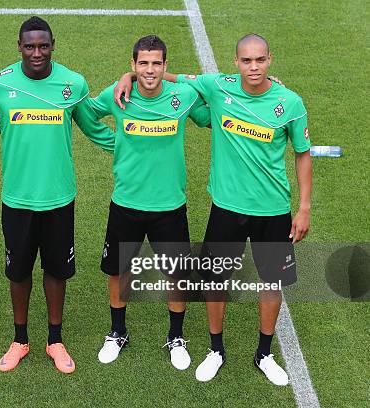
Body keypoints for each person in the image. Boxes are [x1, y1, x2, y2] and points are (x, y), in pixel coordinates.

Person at [115, 33, 312, 386]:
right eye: (247, 61)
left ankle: (264, 354)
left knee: (272, 284)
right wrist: (128, 76)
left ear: (270, 60)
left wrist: (304, 207)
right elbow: (174, 77)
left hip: (273, 210)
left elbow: (302, 153)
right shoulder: (218, 86)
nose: (254, 67)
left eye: (260, 60)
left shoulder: (291, 102)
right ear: (236, 63)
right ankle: (216, 350)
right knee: (215, 280)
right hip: (226, 208)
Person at [0, 16, 113, 374]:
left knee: (56, 271)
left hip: (59, 198)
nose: (36, 53)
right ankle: (20, 339)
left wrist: (136, 146)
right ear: (19, 47)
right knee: (18, 272)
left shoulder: (73, 83)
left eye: (42, 45)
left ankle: (55, 339)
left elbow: (95, 128)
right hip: (16, 199)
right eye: (29, 46)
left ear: (52, 45)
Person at [87, 35, 210, 369]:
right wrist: (115, 145)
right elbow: (85, 113)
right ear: (133, 65)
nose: (150, 69)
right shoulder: (118, 95)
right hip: (126, 202)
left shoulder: (183, 97)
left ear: (165, 66)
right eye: (143, 63)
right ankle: (117, 332)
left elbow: (214, 114)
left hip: (169, 206)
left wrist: (267, 86)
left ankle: (175, 336)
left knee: (177, 275)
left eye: (157, 63)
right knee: (119, 269)